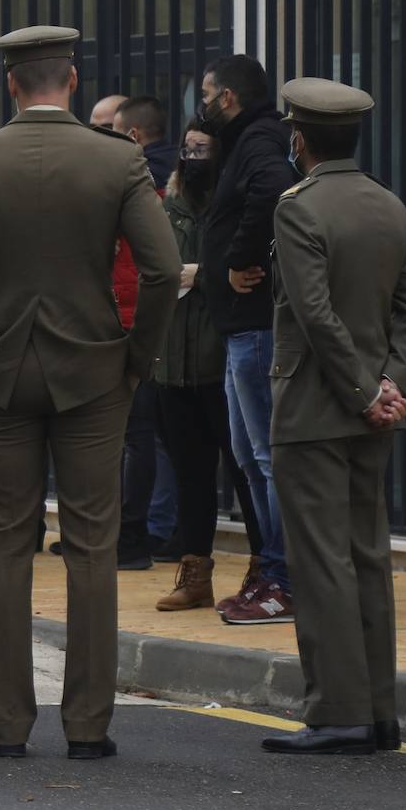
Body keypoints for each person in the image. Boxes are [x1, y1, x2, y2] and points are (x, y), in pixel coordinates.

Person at [0, 25, 180, 760]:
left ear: (10, 84)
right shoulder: (118, 158)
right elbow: (162, 269)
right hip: (95, 369)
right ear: (72, 77)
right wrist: (137, 357)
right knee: (93, 544)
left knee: (5, 545)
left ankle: (6, 726)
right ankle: (88, 725)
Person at [259, 79, 406, 755]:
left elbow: (313, 315)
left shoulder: (298, 208)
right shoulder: (388, 205)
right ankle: (379, 710)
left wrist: (365, 390)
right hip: (375, 411)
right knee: (367, 553)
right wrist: (394, 383)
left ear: (299, 139)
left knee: (321, 558)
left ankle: (337, 710)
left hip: (313, 404)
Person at [195, 55, 298, 624]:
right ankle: (270, 564)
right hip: (239, 327)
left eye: (207, 93)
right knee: (247, 455)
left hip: (256, 325)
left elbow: (272, 194)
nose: (203, 104)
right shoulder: (245, 140)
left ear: (227, 96)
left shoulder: (258, 140)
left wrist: (240, 260)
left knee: (266, 456)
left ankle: (284, 577)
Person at [152, 122, 265, 611]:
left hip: (222, 358)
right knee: (189, 474)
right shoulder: (165, 206)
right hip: (171, 360)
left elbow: (252, 270)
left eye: (204, 149)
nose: (193, 156)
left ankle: (266, 565)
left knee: (246, 471)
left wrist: (203, 275)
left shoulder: (235, 206)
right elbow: (154, 268)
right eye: (188, 148)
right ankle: (195, 572)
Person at [106, 94, 179, 569]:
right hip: (153, 322)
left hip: (130, 322)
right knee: (149, 436)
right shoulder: (169, 180)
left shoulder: (136, 186)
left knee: (135, 435)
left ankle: (132, 536)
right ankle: (146, 530)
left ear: (133, 136)